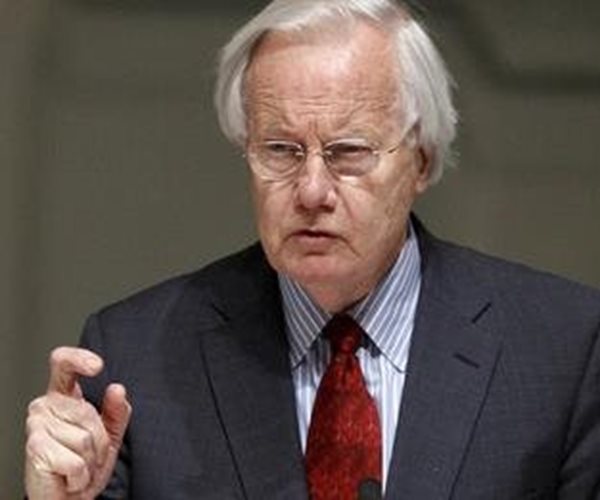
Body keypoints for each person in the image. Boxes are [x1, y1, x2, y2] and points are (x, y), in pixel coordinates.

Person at [24, 0, 600, 498]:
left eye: (348, 152)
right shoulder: (135, 359)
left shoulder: (562, 350)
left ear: (421, 160)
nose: (312, 191)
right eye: (280, 150)